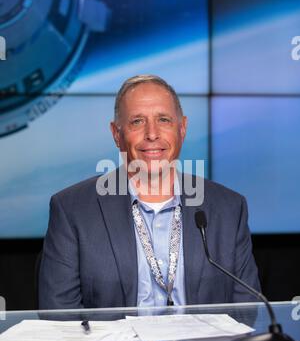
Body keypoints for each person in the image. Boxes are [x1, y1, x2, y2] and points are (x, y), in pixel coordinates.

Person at [39, 74, 261, 309]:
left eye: (164, 120)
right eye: (137, 121)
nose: (152, 134)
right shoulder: (72, 210)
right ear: (116, 134)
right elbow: (60, 316)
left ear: (182, 128)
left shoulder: (229, 208)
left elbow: (245, 311)